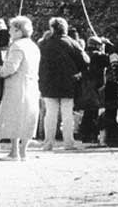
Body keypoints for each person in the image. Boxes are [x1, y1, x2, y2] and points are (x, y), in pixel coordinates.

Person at [0, 15, 42, 161]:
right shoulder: (33, 46)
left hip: (17, 87)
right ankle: (23, 152)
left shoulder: (17, 46)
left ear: (19, 31)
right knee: (28, 118)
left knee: (15, 117)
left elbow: (11, 68)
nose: (10, 32)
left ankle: (14, 152)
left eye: (12, 29)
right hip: (32, 85)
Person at [38, 16, 89, 151]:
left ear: (52, 29)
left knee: (50, 115)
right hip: (68, 83)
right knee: (67, 115)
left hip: (49, 84)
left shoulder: (44, 44)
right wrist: (78, 73)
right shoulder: (72, 43)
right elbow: (85, 62)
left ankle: (48, 143)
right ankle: (68, 143)